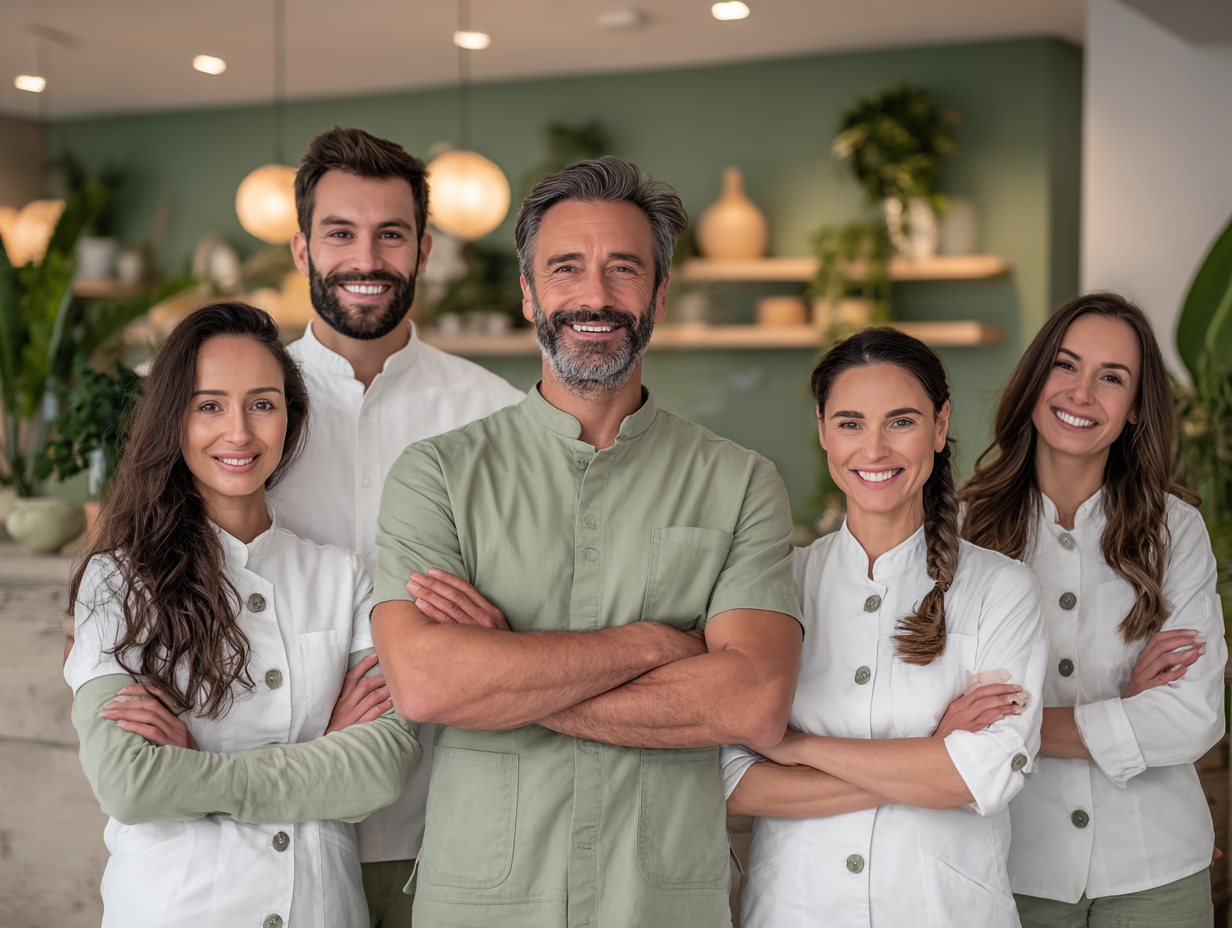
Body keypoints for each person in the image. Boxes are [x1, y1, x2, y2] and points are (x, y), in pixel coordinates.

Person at [370, 156, 805, 927]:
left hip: (663, 905)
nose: (595, 297)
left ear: (660, 294)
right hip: (484, 905)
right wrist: (650, 645)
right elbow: (429, 685)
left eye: (623, 270)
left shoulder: (740, 482)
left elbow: (752, 701)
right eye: (566, 268)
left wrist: (506, 671)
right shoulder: (437, 475)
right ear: (530, 292)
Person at [64, 302, 420, 928]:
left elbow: (381, 768)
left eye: (262, 404)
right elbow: (129, 784)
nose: (239, 433)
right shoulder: (119, 579)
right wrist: (322, 755)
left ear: (289, 418)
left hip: (321, 907)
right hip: (179, 907)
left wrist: (197, 769)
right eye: (209, 406)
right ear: (173, 420)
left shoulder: (345, 577)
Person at [267, 126, 523, 926]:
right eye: (340, 232)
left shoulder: (499, 415)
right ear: (304, 250)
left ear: (423, 250)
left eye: (391, 234)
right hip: (281, 823)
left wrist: (505, 628)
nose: (366, 258)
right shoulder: (239, 413)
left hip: (450, 825)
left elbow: (543, 607)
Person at [721, 327, 1049, 927]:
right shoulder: (774, 587)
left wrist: (795, 748)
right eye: (850, 423)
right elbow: (733, 784)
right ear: (822, 429)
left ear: (940, 425)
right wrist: (929, 758)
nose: (874, 450)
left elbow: (987, 774)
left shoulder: (1001, 589)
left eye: (901, 422)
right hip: (798, 912)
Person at [961, 293, 1225, 927]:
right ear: (1034, 381)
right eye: (1066, 365)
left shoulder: (1177, 531)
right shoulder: (961, 531)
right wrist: (1128, 712)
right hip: (1011, 868)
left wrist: (1009, 727)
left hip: (1156, 867)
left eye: (1112, 378)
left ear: (1135, 410)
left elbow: (1193, 716)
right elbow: (935, 713)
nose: (1082, 393)